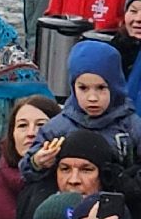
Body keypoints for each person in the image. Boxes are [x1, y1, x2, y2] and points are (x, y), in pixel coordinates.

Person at [22, 41, 141, 175]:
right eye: (83, 88)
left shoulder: (131, 125)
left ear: (115, 88)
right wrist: (37, 162)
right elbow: (26, 169)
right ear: (73, 88)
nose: (92, 98)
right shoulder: (58, 128)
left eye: (101, 88)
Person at [0, 96, 61, 219]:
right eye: (22, 125)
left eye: (41, 125)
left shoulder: (67, 184)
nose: (31, 133)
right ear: (12, 134)